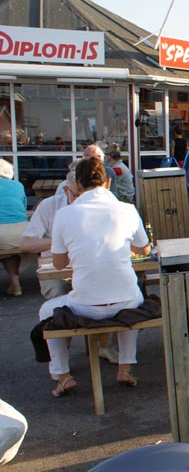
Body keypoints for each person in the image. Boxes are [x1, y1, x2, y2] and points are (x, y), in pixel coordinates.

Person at [40, 157, 150, 396]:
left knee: (47, 310)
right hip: (126, 301)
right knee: (131, 298)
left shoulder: (65, 215)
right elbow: (144, 249)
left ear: (78, 185)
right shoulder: (127, 210)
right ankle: (125, 367)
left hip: (86, 305)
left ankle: (62, 374)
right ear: (108, 182)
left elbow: (59, 264)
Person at [21, 160, 81, 299]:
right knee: (57, 293)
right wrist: (60, 242)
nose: (81, 200)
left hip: (86, 263)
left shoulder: (96, 205)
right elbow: (26, 244)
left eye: (86, 194)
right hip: (53, 265)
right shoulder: (49, 205)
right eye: (77, 195)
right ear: (66, 190)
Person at [0, 158, 28, 297]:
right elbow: (23, 207)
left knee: (5, 244)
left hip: (2, 233)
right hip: (22, 232)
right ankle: (15, 284)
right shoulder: (18, 185)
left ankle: (15, 285)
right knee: (9, 252)